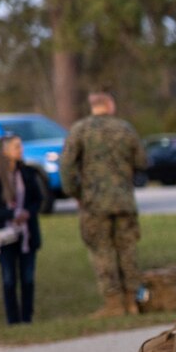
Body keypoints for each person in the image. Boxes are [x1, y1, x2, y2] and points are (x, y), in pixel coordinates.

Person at [61, 90, 148, 317]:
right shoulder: (125, 129)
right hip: (124, 200)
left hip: (94, 203)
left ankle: (113, 302)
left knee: (102, 251)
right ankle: (132, 301)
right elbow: (142, 161)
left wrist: (76, 194)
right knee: (127, 249)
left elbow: (67, 167)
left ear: (93, 106)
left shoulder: (80, 130)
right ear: (110, 105)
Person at [0, 134, 43, 324]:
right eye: (16, 146)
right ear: (5, 151)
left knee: (28, 278)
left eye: (20, 145)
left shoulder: (28, 172)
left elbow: (37, 199)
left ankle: (27, 318)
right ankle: (13, 320)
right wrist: (11, 215)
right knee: (9, 279)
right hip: (5, 234)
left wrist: (27, 213)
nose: (21, 149)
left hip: (27, 234)